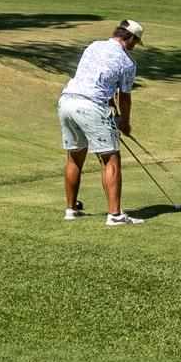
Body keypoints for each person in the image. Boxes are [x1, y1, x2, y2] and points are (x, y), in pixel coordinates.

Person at [59, 18, 142, 226]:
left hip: (67, 100)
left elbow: (97, 78)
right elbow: (124, 96)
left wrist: (110, 108)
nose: (135, 47)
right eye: (136, 42)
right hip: (91, 105)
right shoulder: (128, 62)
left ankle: (71, 210)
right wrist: (124, 121)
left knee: (75, 156)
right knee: (110, 159)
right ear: (130, 38)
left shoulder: (94, 45)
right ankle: (115, 215)